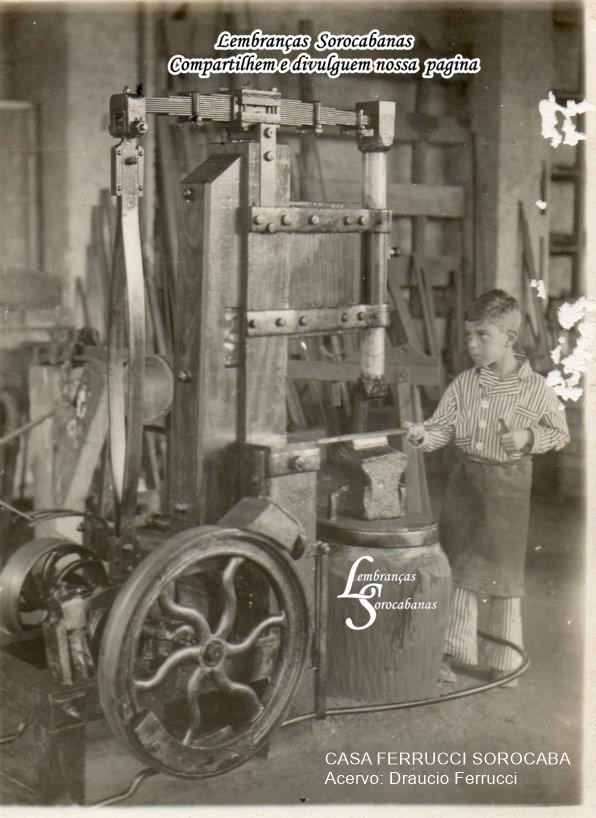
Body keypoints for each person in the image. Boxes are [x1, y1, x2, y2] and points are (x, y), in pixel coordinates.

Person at [405, 289, 569, 687]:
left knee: (502, 574)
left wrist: (529, 436)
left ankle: (504, 660)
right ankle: (450, 652)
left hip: (508, 487)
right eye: (468, 336)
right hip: (465, 484)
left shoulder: (536, 389)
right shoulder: (465, 383)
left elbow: (560, 433)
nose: (472, 344)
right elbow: (442, 427)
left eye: (482, 335)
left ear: (510, 338)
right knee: (457, 565)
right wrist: (423, 434)